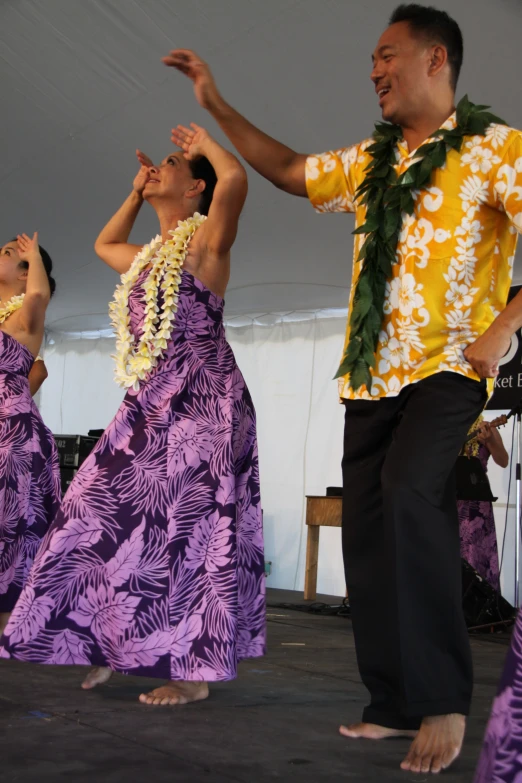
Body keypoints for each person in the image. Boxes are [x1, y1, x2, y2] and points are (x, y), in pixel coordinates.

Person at [162, 3, 522, 773]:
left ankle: (444, 700)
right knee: (366, 525)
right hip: (371, 375)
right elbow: (293, 172)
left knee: (410, 493)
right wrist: (217, 106)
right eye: (371, 61)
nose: (373, 72)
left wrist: (505, 327)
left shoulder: (498, 150)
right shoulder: (373, 159)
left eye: (386, 56)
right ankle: (392, 701)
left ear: (435, 60)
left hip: (449, 366)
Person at [0, 121, 266, 707]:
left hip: (204, 400)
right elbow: (102, 245)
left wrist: (204, 147)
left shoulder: (205, 243)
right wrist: (133, 190)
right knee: (93, 507)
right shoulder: (146, 258)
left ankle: (193, 673)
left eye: (173, 163)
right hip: (148, 400)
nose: (161, 166)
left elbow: (237, 178)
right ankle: (107, 644)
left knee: (192, 530)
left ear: (195, 188)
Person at [0, 234, 60, 635]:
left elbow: (39, 293)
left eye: (9, 254)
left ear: (25, 275)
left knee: (10, 521)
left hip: (10, 431)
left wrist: (34, 255)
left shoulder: (25, 315)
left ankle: (11, 616)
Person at [458, 416, 508, 591]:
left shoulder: (485, 426)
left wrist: (490, 441)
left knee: (476, 559)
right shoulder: (445, 426)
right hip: (448, 504)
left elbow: (503, 460)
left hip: (477, 509)